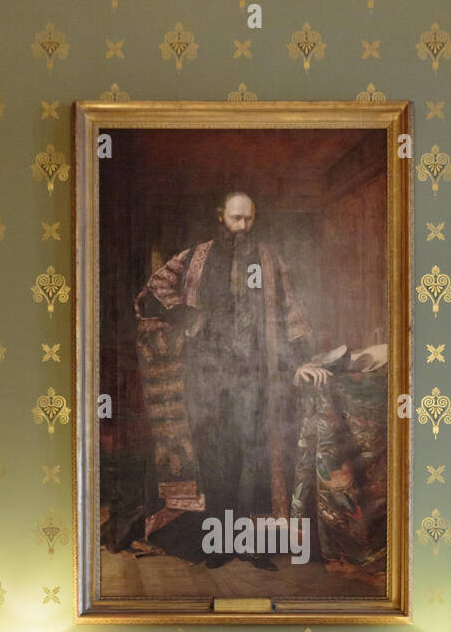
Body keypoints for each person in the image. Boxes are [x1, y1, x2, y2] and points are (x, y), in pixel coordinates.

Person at [131, 191, 328, 566]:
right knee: (216, 457)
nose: (242, 227)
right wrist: (186, 315)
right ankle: (219, 542)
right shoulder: (195, 257)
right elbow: (154, 288)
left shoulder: (270, 261)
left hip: (255, 376)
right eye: (236, 218)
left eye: (248, 219)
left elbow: (291, 313)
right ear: (221, 216)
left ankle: (251, 543)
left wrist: (301, 361)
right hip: (205, 375)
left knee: (252, 458)